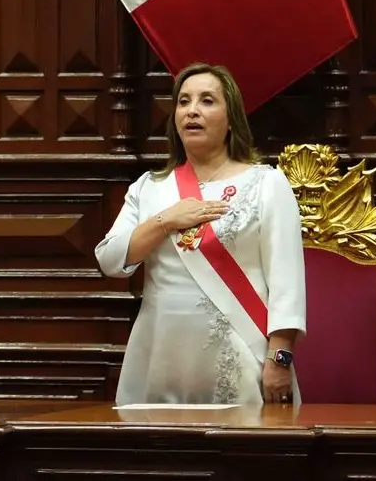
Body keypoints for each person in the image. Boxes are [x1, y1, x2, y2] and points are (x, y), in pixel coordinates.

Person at [96, 62, 306, 407]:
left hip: (241, 354)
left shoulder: (266, 183)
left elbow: (287, 284)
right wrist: (165, 220)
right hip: (160, 357)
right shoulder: (150, 188)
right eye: (184, 101)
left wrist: (279, 359)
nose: (192, 110)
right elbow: (110, 260)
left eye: (207, 101)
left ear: (231, 118)